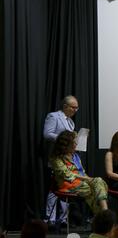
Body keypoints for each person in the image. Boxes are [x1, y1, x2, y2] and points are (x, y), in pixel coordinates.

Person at [50, 131, 108, 214]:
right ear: (65, 145)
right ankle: (104, 215)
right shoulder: (56, 159)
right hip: (68, 185)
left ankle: (103, 214)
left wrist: (90, 180)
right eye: (73, 143)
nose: (76, 144)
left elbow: (82, 172)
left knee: (99, 181)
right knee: (96, 189)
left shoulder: (75, 156)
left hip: (81, 183)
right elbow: (67, 175)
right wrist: (88, 179)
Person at [43, 95, 79, 225]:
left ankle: (63, 218)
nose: (75, 110)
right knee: (54, 188)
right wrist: (65, 139)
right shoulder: (53, 116)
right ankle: (50, 218)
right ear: (65, 106)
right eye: (73, 107)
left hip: (68, 158)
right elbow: (47, 134)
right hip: (57, 157)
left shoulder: (70, 121)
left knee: (66, 187)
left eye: (77, 108)